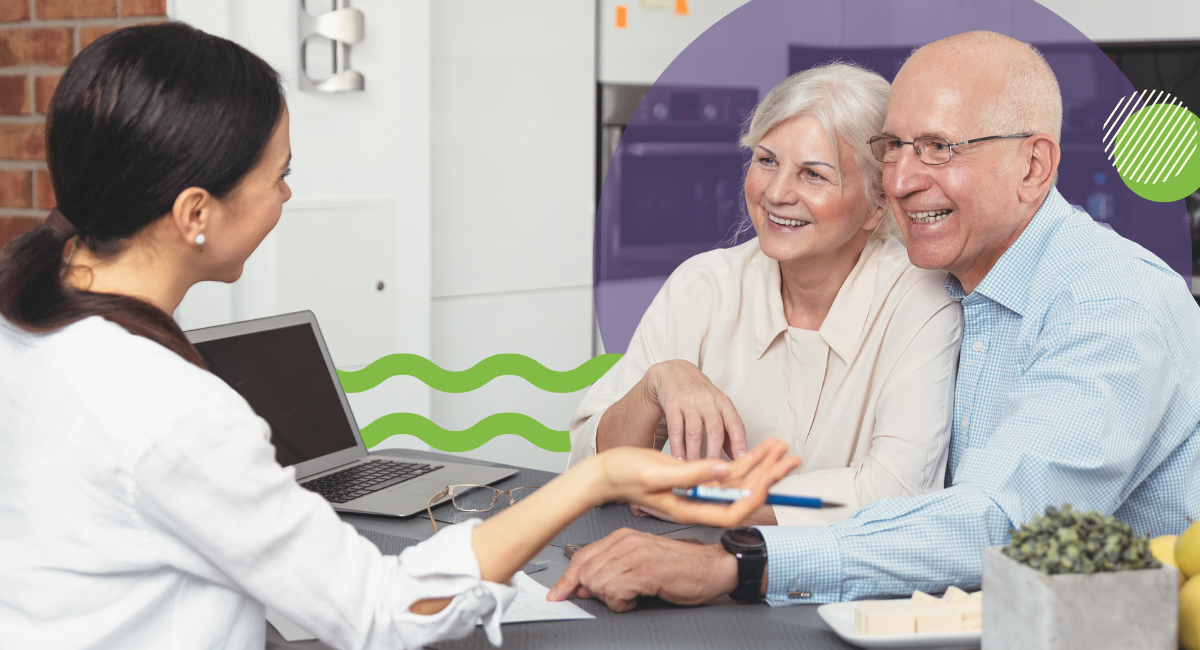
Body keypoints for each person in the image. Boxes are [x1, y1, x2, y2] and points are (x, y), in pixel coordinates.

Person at [0, 23, 803, 650]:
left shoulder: (32, 326)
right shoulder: (169, 410)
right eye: (276, 175)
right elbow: (384, 613)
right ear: (196, 214)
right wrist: (591, 482)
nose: (286, 195)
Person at [550, 30, 1200, 612]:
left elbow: (1000, 525)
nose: (902, 180)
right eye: (897, 147)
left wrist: (737, 561)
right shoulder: (961, 280)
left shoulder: (1107, 302)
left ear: (1032, 166)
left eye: (941, 148)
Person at [568, 62, 964, 529]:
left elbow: (898, 493)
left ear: (877, 206)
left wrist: (717, 501)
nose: (776, 192)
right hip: (676, 562)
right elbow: (589, 469)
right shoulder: (704, 286)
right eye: (766, 160)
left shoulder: (922, 300)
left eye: (813, 174)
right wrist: (658, 383)